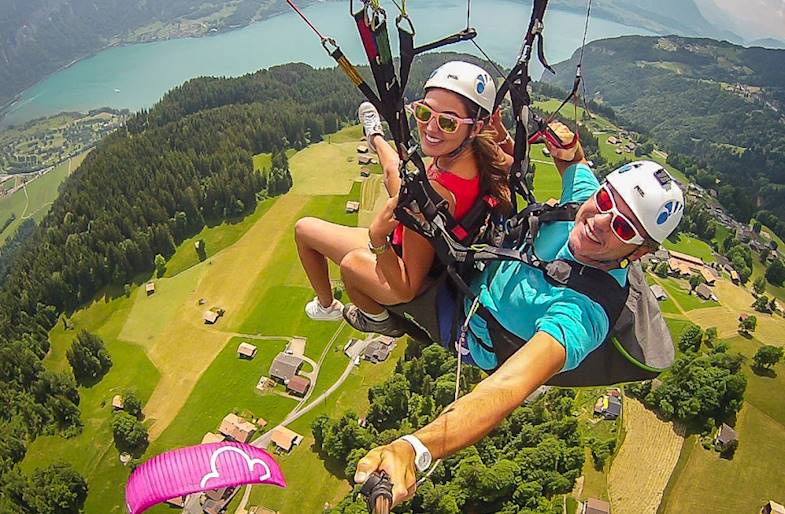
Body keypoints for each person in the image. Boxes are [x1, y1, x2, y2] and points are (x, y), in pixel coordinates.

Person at [352, 127, 685, 507]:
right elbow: (575, 164)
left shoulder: (584, 311)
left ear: (638, 253)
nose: (601, 221)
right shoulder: (581, 204)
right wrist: (569, 148)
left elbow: (507, 387)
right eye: (606, 199)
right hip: (475, 271)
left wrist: (415, 447)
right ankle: (378, 138)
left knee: (356, 260)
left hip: (466, 326)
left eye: (623, 227)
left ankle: (383, 323)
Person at [294, 61, 513, 334]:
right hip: (436, 241)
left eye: (447, 122)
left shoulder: (431, 197)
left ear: (475, 127)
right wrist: (501, 133)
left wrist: (377, 239)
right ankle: (375, 136)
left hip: (408, 264)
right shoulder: (486, 154)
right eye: (424, 112)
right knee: (390, 172)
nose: (431, 128)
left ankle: (375, 319)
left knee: (346, 261)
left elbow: (407, 286)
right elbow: (514, 165)